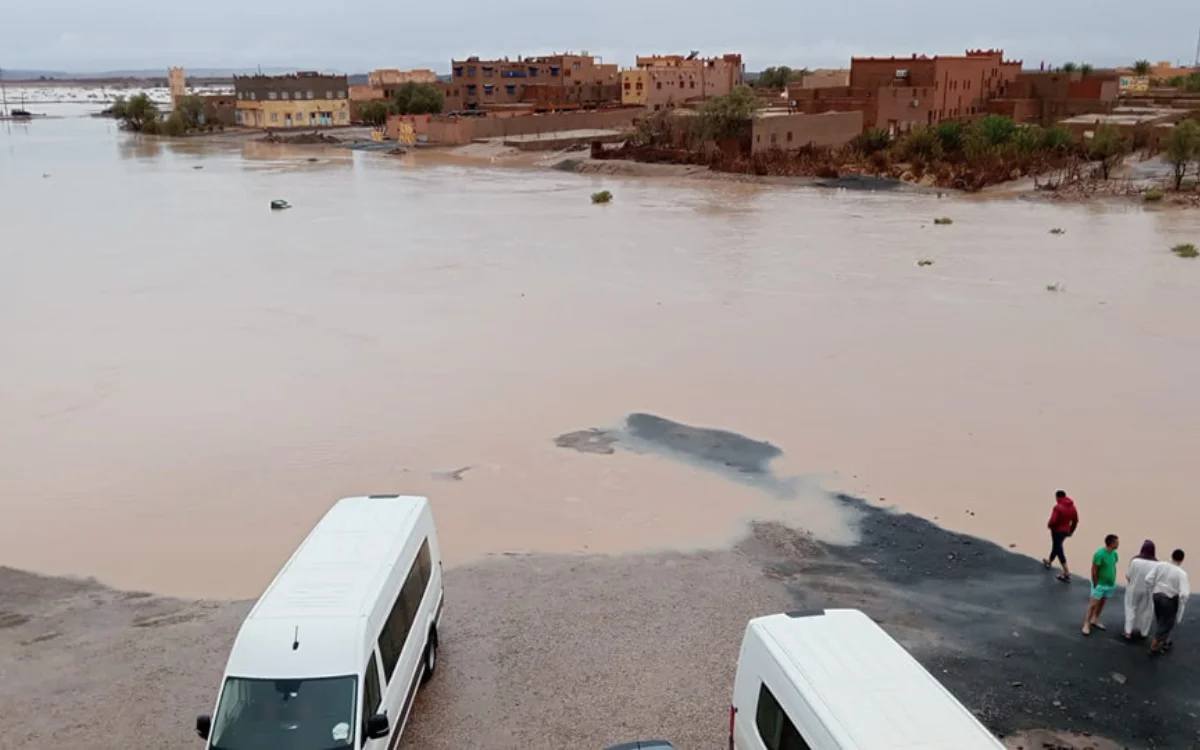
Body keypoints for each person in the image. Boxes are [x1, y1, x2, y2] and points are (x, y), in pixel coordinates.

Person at [1148, 549, 1189, 656]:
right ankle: (1155, 645)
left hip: (1157, 595)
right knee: (1167, 622)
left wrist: (1154, 588)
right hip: (1169, 599)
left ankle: (1164, 640)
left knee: (1160, 618)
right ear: (1182, 560)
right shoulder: (1181, 574)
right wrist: (1181, 602)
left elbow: (1148, 579)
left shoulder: (1160, 565)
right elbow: (1184, 594)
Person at [1082, 534, 1119, 636]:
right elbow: (1094, 570)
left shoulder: (1114, 554)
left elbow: (1113, 566)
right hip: (1100, 584)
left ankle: (1095, 619)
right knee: (1093, 604)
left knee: (1102, 602)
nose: (1118, 544)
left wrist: (1113, 579)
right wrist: (1095, 584)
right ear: (1111, 543)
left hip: (1109, 584)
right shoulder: (1099, 554)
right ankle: (1086, 624)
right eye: (1116, 542)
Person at [1123, 540, 1159, 640]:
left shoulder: (1135, 561)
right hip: (1148, 590)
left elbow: (1128, 575)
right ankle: (1144, 632)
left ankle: (1128, 631)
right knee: (1146, 610)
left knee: (1130, 608)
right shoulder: (1156, 564)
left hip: (1134, 588)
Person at [1043, 490, 1079, 582]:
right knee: (1056, 546)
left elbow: (1053, 520)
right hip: (1066, 531)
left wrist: (1050, 525)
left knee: (1059, 549)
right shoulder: (1073, 507)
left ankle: (1066, 572)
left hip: (1057, 531)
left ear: (1058, 497)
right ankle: (1049, 562)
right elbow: (1075, 520)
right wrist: (1071, 530)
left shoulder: (1058, 507)